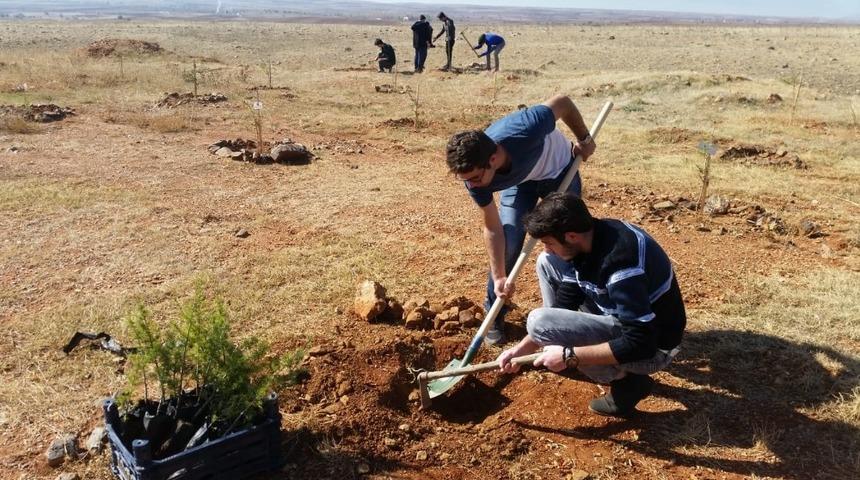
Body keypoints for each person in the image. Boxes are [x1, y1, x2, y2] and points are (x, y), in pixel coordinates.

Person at [496, 192, 687, 416]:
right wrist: (519, 351)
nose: (545, 247)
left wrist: (570, 355)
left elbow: (640, 342)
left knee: (540, 321)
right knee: (547, 263)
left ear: (571, 236)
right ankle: (555, 344)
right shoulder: (590, 238)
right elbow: (564, 303)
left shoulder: (622, 265)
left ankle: (626, 382)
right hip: (618, 317)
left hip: (653, 349)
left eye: (548, 242)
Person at [445, 95, 596, 344]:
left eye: (473, 178)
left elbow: (563, 103)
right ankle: (494, 313)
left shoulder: (526, 127)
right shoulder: (475, 178)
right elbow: (493, 227)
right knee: (511, 239)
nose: (470, 185)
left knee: (570, 239)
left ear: (492, 160)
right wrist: (499, 276)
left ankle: (575, 311)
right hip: (520, 183)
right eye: (465, 180)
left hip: (559, 172)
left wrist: (584, 139)